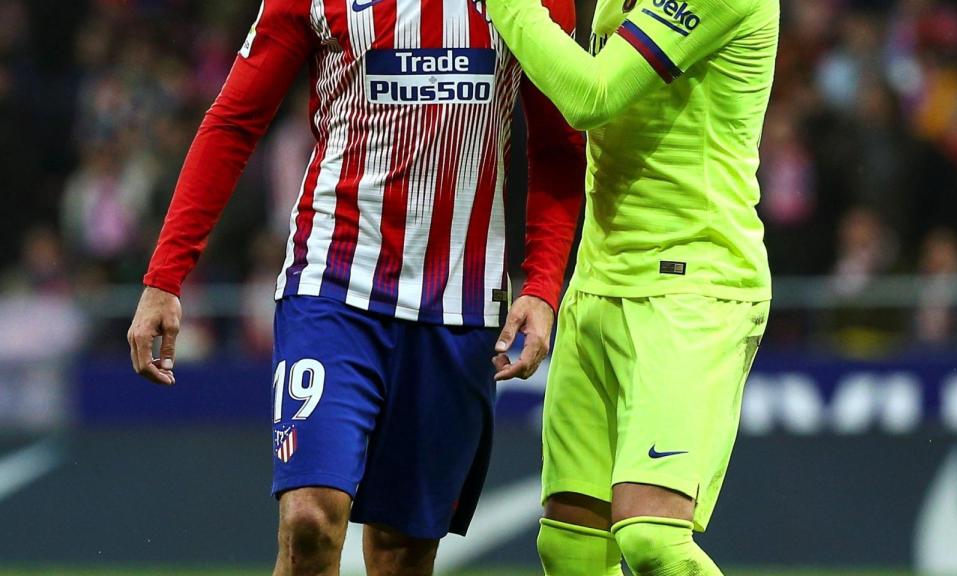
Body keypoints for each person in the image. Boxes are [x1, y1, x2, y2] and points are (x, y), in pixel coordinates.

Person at [125, 0, 584, 573]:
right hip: (333, 285)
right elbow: (234, 119)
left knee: (403, 552)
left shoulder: (537, 2)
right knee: (310, 522)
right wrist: (165, 277)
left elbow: (558, 149)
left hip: (458, 309)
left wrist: (542, 286)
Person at [482, 0, 779, 574]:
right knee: (570, 550)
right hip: (599, 282)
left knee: (652, 539)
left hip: (691, 288)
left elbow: (592, 95)